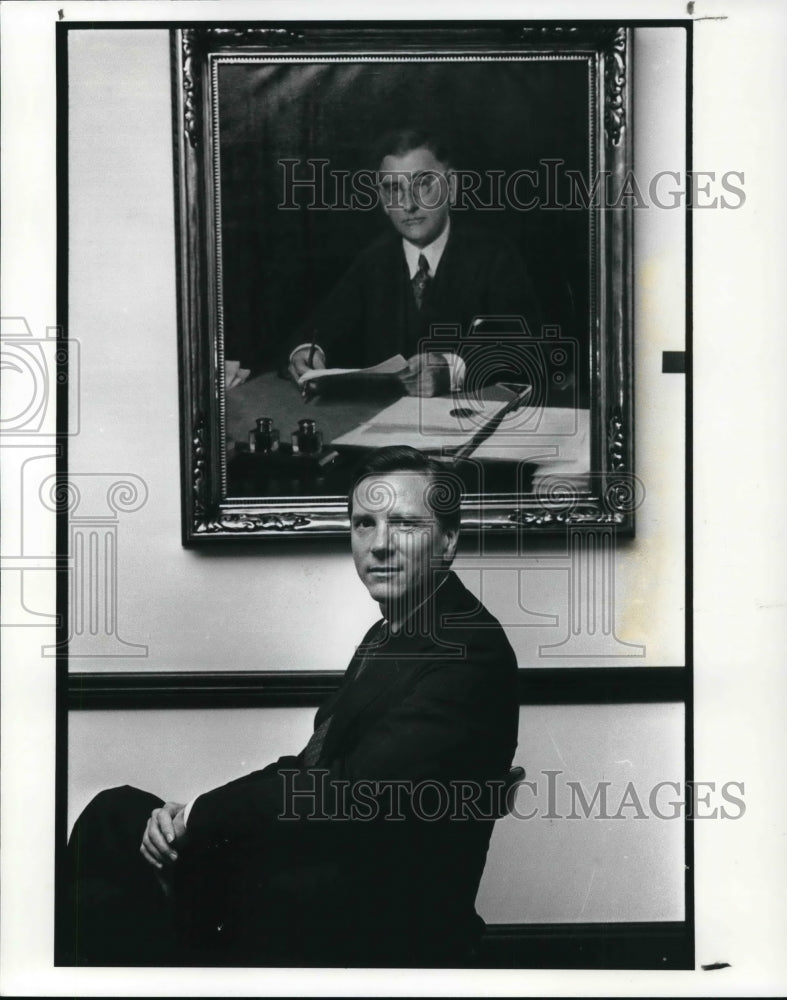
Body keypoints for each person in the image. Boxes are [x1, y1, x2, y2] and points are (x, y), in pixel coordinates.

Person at [64, 446, 519, 967]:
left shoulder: (467, 650)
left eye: (404, 524)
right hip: (335, 874)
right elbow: (312, 767)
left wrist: (200, 819)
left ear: (449, 540)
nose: (379, 545)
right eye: (364, 524)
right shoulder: (396, 631)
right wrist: (192, 814)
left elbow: (349, 793)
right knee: (121, 818)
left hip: (374, 914)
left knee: (116, 837)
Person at [287, 128, 543, 398]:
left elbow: (531, 351)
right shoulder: (373, 261)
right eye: (394, 189)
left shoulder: (493, 256)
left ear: (451, 187)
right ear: (384, 200)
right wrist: (306, 352)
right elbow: (321, 328)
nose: (408, 204)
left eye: (423, 185)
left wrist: (452, 369)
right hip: (382, 427)